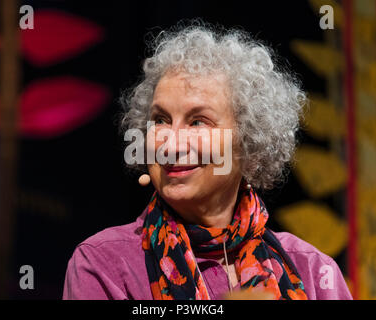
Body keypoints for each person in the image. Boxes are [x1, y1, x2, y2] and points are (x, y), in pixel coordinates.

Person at [62, 22, 352, 300]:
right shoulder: (103, 264)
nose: (171, 143)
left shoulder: (314, 271)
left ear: (248, 141)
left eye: (198, 122)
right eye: (160, 120)